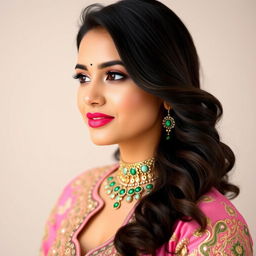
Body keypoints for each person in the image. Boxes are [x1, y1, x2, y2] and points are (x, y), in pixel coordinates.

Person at [39, 0, 253, 255]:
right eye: (83, 77)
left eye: (114, 75)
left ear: (164, 89)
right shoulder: (76, 192)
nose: (90, 97)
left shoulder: (210, 225)